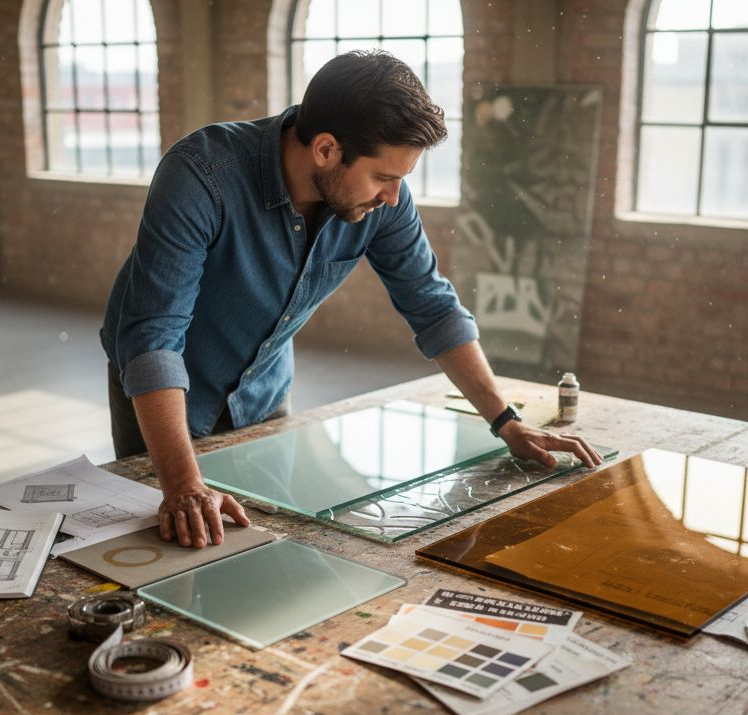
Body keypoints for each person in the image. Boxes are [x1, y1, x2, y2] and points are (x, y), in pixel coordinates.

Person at [101, 50, 600, 550]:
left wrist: (506, 421)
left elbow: (432, 305)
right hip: (161, 396)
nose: (393, 196)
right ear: (325, 149)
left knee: (261, 542)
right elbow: (153, 338)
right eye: (383, 177)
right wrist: (183, 484)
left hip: (263, 390)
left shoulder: (386, 200)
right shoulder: (201, 174)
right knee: (174, 544)